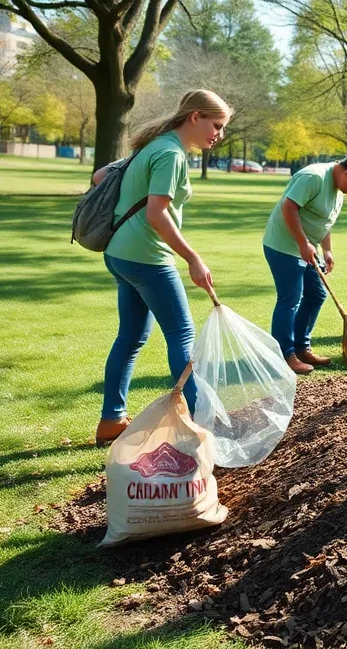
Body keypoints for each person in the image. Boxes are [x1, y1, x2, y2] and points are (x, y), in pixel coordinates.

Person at [93, 89, 231, 445]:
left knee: (131, 336)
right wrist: (192, 257)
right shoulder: (170, 153)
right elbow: (157, 213)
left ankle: (111, 421)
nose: (219, 134)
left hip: (121, 254)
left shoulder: (155, 145)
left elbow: (99, 176)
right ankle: (201, 424)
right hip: (148, 258)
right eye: (216, 125)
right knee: (182, 336)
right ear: (196, 117)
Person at [263, 153, 347, 372]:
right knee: (290, 299)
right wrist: (303, 243)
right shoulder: (313, 177)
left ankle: (302, 348)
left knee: (316, 294)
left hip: (308, 249)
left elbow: (324, 221)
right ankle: (284, 355)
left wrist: (327, 250)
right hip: (283, 246)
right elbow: (288, 207)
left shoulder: (339, 188)